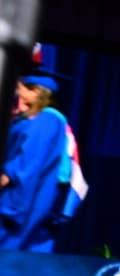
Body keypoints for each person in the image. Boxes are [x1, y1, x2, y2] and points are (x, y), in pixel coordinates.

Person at [1, 68, 83, 252]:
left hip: (20, 212)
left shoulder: (47, 120)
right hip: (28, 212)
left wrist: (8, 175)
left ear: (38, 92)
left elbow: (26, 167)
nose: (18, 101)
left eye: (21, 92)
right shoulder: (44, 121)